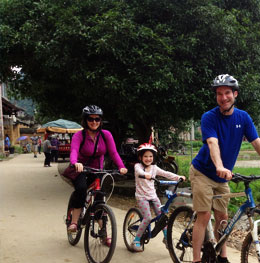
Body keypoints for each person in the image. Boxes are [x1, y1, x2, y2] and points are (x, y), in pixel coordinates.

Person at [190, 74, 260, 263]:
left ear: (235, 94)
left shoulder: (243, 117)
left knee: (223, 218)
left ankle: (221, 258)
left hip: (223, 177)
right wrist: (220, 166)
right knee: (204, 216)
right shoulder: (209, 117)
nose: (223, 98)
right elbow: (213, 143)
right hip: (203, 172)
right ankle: (196, 262)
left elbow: (256, 141)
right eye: (219, 94)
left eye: (227, 93)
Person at [67, 105, 128, 236]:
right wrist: (75, 163)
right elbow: (74, 151)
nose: (94, 122)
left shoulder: (106, 135)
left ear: (101, 120)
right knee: (81, 189)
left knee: (101, 195)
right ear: (85, 120)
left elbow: (113, 152)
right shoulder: (79, 136)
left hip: (97, 169)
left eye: (97, 119)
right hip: (81, 168)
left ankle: (102, 230)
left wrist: (121, 166)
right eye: (90, 119)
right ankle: (74, 221)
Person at [131, 143, 186, 252]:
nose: (148, 159)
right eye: (145, 156)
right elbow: (139, 172)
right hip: (141, 197)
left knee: (162, 218)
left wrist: (178, 177)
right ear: (140, 157)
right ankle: (136, 240)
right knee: (147, 218)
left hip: (153, 195)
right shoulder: (138, 166)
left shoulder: (154, 168)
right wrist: (145, 175)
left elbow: (166, 174)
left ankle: (166, 238)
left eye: (150, 156)